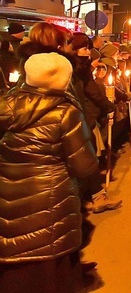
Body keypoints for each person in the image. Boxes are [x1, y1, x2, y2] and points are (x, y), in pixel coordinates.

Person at [0, 52, 99, 293]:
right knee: (49, 271)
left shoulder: (6, 104)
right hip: (50, 201)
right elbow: (84, 166)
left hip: (6, 196)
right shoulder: (65, 112)